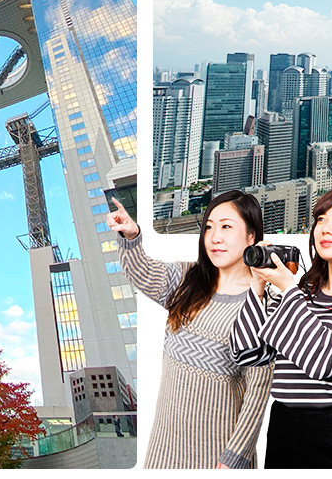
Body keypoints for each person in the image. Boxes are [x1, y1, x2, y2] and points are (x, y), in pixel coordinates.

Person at [230, 187, 332, 468]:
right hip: (284, 424)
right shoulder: (301, 293)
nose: (325, 228)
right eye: (320, 219)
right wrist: (258, 286)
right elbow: (247, 353)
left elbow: (325, 362)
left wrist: (287, 289)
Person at [109, 191, 273, 469]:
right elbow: (142, 272)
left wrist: (234, 457)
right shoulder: (188, 280)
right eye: (209, 227)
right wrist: (132, 234)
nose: (215, 237)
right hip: (164, 449)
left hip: (219, 455)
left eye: (226, 227)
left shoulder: (262, 304)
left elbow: (258, 393)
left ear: (251, 236)